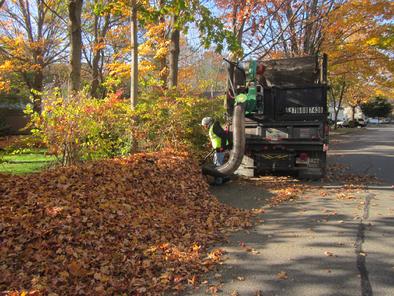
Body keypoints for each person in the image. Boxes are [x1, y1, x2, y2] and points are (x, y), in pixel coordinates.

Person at [201, 117, 230, 185]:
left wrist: (222, 147)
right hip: (217, 148)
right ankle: (224, 177)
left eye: (205, 125)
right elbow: (216, 139)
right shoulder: (213, 128)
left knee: (218, 166)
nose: (205, 127)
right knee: (217, 163)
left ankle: (219, 181)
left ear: (208, 123)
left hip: (220, 148)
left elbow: (223, 136)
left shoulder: (214, 127)